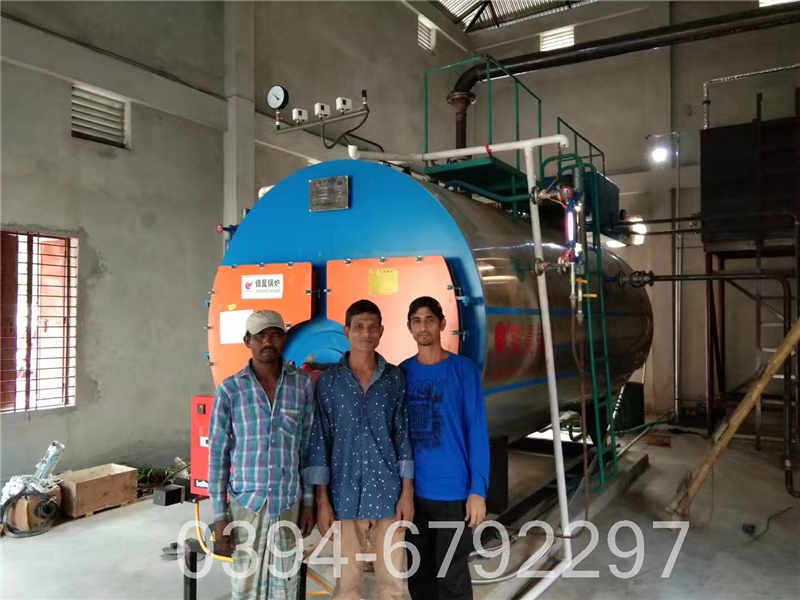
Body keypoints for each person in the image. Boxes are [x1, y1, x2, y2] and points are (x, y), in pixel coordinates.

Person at [306, 299, 414, 600]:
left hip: (389, 494)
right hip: (344, 495)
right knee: (348, 585)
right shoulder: (329, 383)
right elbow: (320, 442)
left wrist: (407, 492)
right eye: (359, 327)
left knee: (392, 585)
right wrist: (322, 501)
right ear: (347, 331)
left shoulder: (394, 378)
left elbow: (403, 437)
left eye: (372, 328)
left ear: (381, 331)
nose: (365, 334)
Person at [208, 309, 315, 600]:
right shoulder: (230, 390)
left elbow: (308, 448)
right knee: (245, 587)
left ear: (285, 339)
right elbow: (218, 456)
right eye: (261, 336)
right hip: (246, 504)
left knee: (285, 587)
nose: (268, 341)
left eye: (275, 335)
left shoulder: (302, 385)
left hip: (288, 503)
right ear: (248, 341)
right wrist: (219, 517)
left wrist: (308, 503)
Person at [400, 296, 490, 600]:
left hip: (454, 494)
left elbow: (477, 431)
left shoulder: (463, 371)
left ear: (442, 324)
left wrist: (477, 490)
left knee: (452, 575)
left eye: (429, 320)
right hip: (415, 495)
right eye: (416, 321)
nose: (423, 327)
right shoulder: (402, 373)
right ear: (409, 327)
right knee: (419, 575)